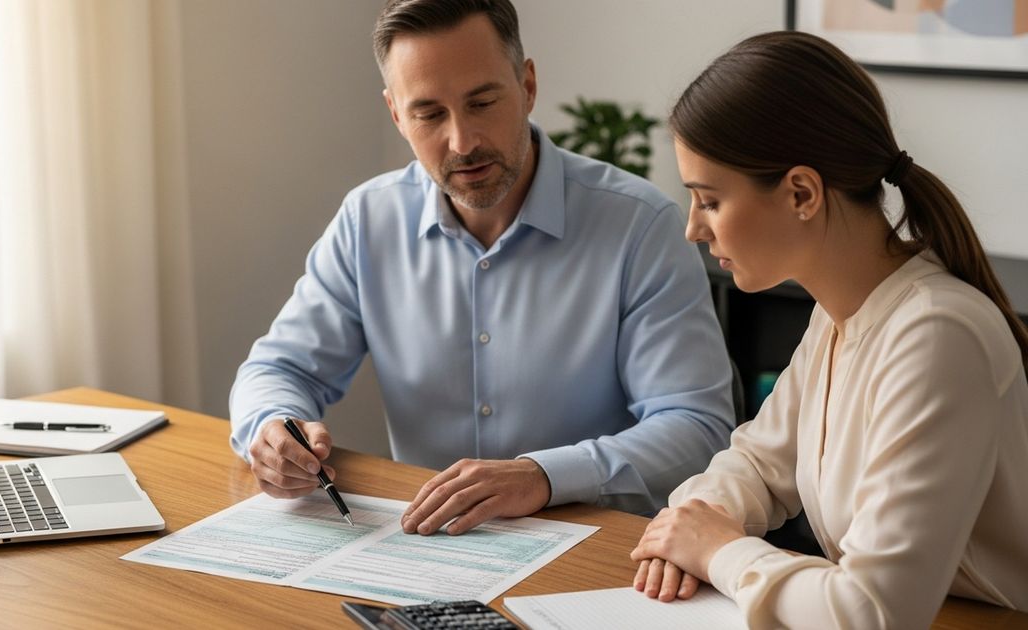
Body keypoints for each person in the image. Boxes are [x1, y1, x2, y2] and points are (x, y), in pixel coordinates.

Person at [228, 0, 734, 536]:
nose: (462, 142)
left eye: (483, 102)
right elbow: (278, 369)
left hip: (591, 549)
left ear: (528, 85)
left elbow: (696, 429)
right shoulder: (368, 219)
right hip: (424, 545)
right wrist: (272, 430)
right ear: (397, 115)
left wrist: (542, 475)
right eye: (428, 114)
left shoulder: (639, 224)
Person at [629, 31, 1028, 628]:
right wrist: (689, 526)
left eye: (709, 201)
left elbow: (872, 611)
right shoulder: (838, 315)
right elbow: (759, 464)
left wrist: (718, 551)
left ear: (801, 193)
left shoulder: (937, 335)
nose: (694, 229)